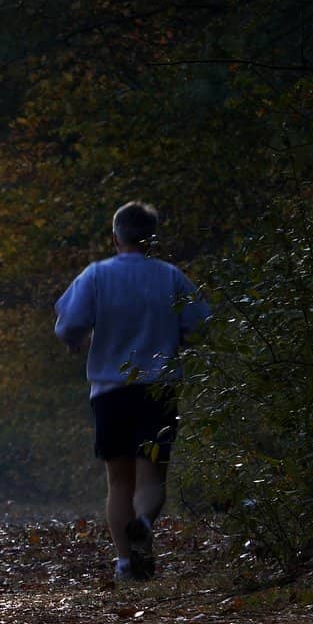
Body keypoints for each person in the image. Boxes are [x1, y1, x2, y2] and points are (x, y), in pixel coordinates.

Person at [54, 202, 210, 581]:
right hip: (159, 388)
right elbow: (200, 324)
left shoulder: (96, 276)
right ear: (152, 239)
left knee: (118, 479)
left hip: (110, 390)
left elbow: (68, 324)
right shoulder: (171, 277)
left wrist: (77, 338)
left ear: (115, 237)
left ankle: (126, 563)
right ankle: (143, 521)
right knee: (152, 475)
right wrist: (179, 338)